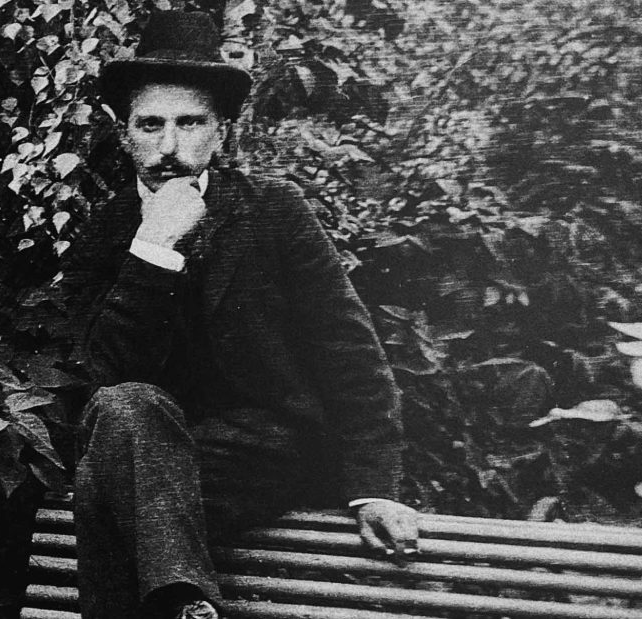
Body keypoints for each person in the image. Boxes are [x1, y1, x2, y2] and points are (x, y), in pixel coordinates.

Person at [59, 11, 419, 619]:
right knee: (124, 410)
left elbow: (348, 349)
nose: (169, 147)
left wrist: (374, 489)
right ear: (123, 136)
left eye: (190, 123)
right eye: (150, 124)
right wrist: (152, 249)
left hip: (258, 459)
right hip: (145, 455)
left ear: (220, 133)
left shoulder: (274, 209)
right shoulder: (105, 233)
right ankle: (183, 605)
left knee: (107, 482)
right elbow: (99, 375)